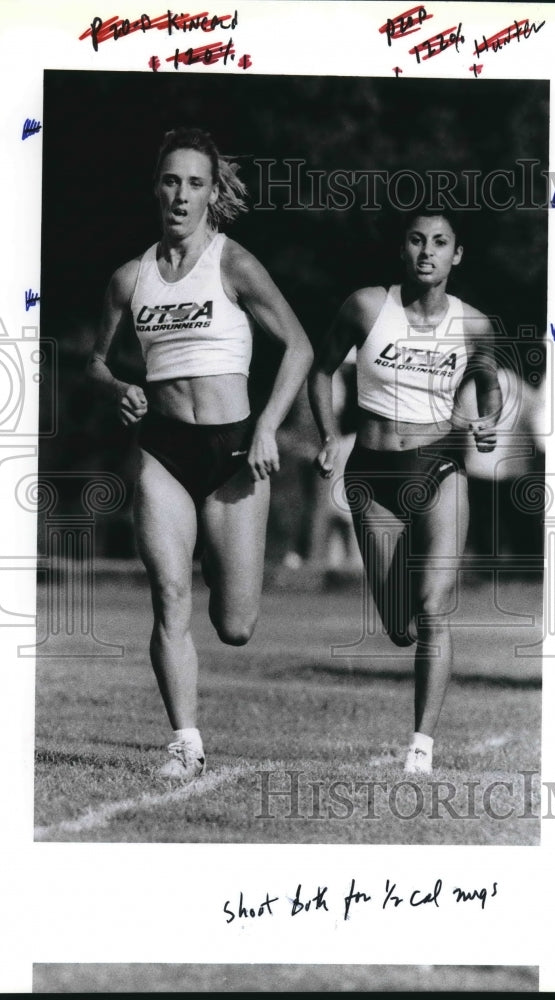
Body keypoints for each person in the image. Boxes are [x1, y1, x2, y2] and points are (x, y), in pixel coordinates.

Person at [88, 127, 313, 780]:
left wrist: (270, 426)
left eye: (193, 182)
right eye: (169, 180)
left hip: (235, 453)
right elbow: (94, 361)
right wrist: (118, 388)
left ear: (213, 193)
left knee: (235, 623)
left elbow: (298, 346)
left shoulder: (233, 263)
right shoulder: (129, 278)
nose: (180, 194)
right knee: (168, 592)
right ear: (155, 188)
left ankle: (227, 563)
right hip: (163, 449)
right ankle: (184, 740)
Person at [308, 208, 501, 775]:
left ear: (456, 255)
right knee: (400, 627)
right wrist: (327, 437)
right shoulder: (367, 307)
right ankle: (408, 632)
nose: (428, 251)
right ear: (403, 249)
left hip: (439, 466)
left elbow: (489, 388)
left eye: (440, 243)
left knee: (434, 607)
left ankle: (421, 747)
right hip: (372, 474)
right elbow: (320, 371)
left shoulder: (474, 326)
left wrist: (487, 423)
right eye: (417, 240)